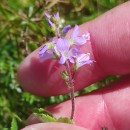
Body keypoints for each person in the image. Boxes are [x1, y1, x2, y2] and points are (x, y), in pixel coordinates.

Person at [18, 1, 130, 130]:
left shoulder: (67, 46)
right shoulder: (59, 47)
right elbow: (62, 55)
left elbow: (68, 51)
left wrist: (69, 54)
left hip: (70, 55)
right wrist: (55, 50)